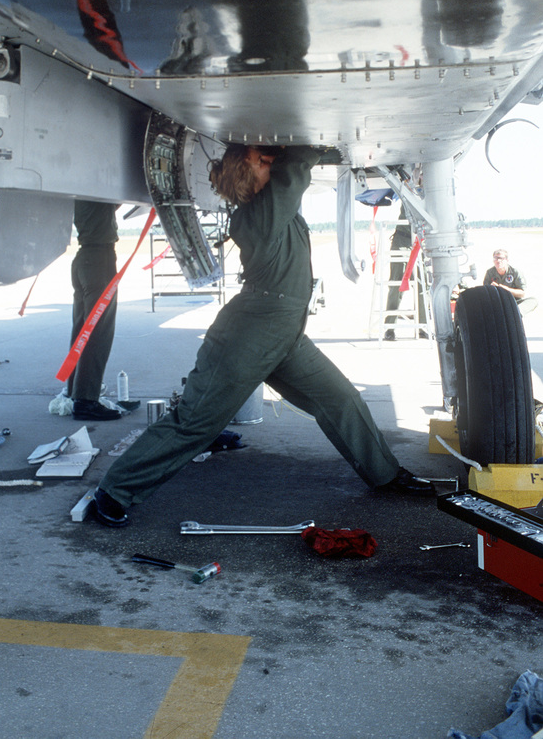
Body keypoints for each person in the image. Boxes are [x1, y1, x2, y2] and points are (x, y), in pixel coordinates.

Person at [91, 144, 434, 527]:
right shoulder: (253, 217)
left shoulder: (273, 210)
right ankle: (115, 490)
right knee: (196, 423)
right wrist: (309, 141)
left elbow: (286, 181)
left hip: (285, 334)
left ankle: (386, 475)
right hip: (247, 336)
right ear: (245, 174)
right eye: (262, 161)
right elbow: (292, 172)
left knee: (341, 399)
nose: (272, 162)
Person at [64, 200, 139, 420]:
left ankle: (75, 392)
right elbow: (116, 199)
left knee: (82, 331)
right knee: (98, 333)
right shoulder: (99, 190)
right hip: (99, 259)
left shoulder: (83, 191)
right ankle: (86, 401)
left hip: (85, 258)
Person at [383, 203, 429, 341]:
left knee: (423, 286)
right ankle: (389, 328)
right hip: (402, 241)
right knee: (396, 285)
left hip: (420, 241)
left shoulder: (430, 193)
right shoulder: (409, 187)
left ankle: (422, 327)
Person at [483, 249, 538, 316]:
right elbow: (484, 292)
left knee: (533, 300)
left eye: (501, 258)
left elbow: (522, 293)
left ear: (507, 260)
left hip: (513, 302)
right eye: (495, 258)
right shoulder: (490, 272)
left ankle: (516, 313)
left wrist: (506, 289)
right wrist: (491, 288)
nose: (498, 261)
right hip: (497, 302)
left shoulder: (515, 272)